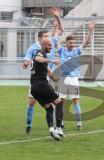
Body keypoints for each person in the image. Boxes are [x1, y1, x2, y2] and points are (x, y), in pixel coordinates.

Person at [22, 7, 64, 135]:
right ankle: (30, 125)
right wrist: (26, 63)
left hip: (45, 75)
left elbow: (61, 30)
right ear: (41, 39)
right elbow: (30, 60)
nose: (50, 38)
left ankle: (55, 126)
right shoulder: (35, 49)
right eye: (46, 36)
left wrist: (57, 17)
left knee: (50, 105)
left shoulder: (49, 43)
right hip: (37, 78)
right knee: (32, 103)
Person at [57, 20, 96, 129]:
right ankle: (61, 122)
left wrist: (90, 30)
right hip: (63, 79)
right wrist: (56, 27)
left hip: (73, 79)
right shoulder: (62, 51)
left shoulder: (76, 51)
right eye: (70, 43)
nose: (72, 44)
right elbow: (54, 40)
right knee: (61, 102)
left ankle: (79, 123)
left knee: (75, 101)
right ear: (66, 43)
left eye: (74, 43)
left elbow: (86, 42)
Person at [30, 38, 65, 141]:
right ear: (44, 45)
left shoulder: (44, 61)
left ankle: (51, 128)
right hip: (42, 85)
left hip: (34, 89)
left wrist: (58, 77)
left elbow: (51, 75)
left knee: (49, 108)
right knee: (59, 101)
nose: (51, 47)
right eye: (49, 45)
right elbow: (37, 58)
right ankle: (58, 128)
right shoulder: (40, 52)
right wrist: (52, 60)